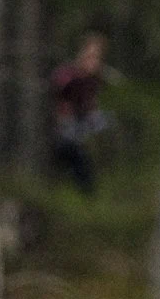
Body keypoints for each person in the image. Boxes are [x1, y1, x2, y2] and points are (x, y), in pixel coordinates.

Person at [48, 33, 112, 194]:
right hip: (67, 125)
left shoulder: (93, 80)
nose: (94, 62)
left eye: (97, 58)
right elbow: (59, 90)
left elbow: (91, 106)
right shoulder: (69, 74)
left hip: (83, 123)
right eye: (90, 56)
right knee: (73, 148)